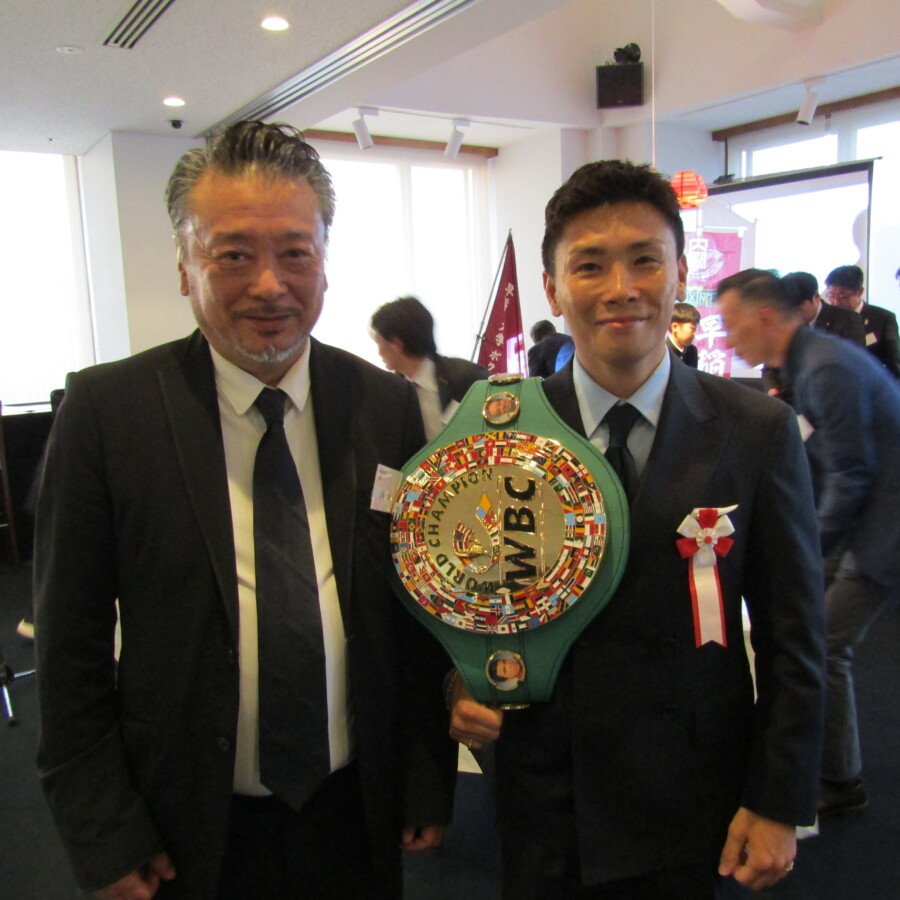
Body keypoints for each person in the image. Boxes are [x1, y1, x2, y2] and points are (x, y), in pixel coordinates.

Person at [34, 121, 456, 900]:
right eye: (233, 254)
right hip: (183, 827)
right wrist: (102, 828)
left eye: (296, 252)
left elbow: (409, 617)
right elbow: (70, 647)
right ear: (185, 265)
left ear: (325, 260)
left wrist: (425, 775)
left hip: (355, 813)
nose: (269, 284)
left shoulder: (384, 407)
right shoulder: (107, 413)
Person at [449, 160, 825, 898]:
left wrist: (780, 799)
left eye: (644, 260)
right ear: (555, 289)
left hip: (689, 789)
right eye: (589, 266)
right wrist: (454, 685)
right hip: (544, 787)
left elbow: (794, 637)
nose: (620, 289)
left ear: (679, 272)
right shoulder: (500, 426)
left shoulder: (757, 430)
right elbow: (458, 587)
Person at [717, 268, 900, 821]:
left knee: (822, 648)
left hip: (883, 533)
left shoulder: (825, 368)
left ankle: (840, 780)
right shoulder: (810, 362)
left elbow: (852, 472)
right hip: (870, 525)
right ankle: (839, 772)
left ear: (767, 318)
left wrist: (805, 550)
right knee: (826, 646)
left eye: (731, 325)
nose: (727, 340)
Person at [370, 295, 487, 441]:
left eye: (379, 343)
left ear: (396, 344)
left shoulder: (470, 378)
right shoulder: (390, 394)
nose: (379, 352)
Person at [762, 271, 865, 400]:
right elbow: (770, 368)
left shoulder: (847, 319)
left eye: (799, 309)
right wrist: (773, 390)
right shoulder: (783, 321)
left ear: (816, 297)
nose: (794, 315)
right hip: (791, 403)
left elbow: (854, 365)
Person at [824, 264, 900, 378]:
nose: (836, 302)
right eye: (831, 296)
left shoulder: (882, 318)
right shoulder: (825, 318)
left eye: (842, 297)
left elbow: (894, 364)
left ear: (859, 292)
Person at [666, 301, 700, 366]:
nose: (695, 333)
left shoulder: (692, 351)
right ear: (675, 327)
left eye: (695, 329)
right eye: (692, 328)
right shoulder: (662, 352)